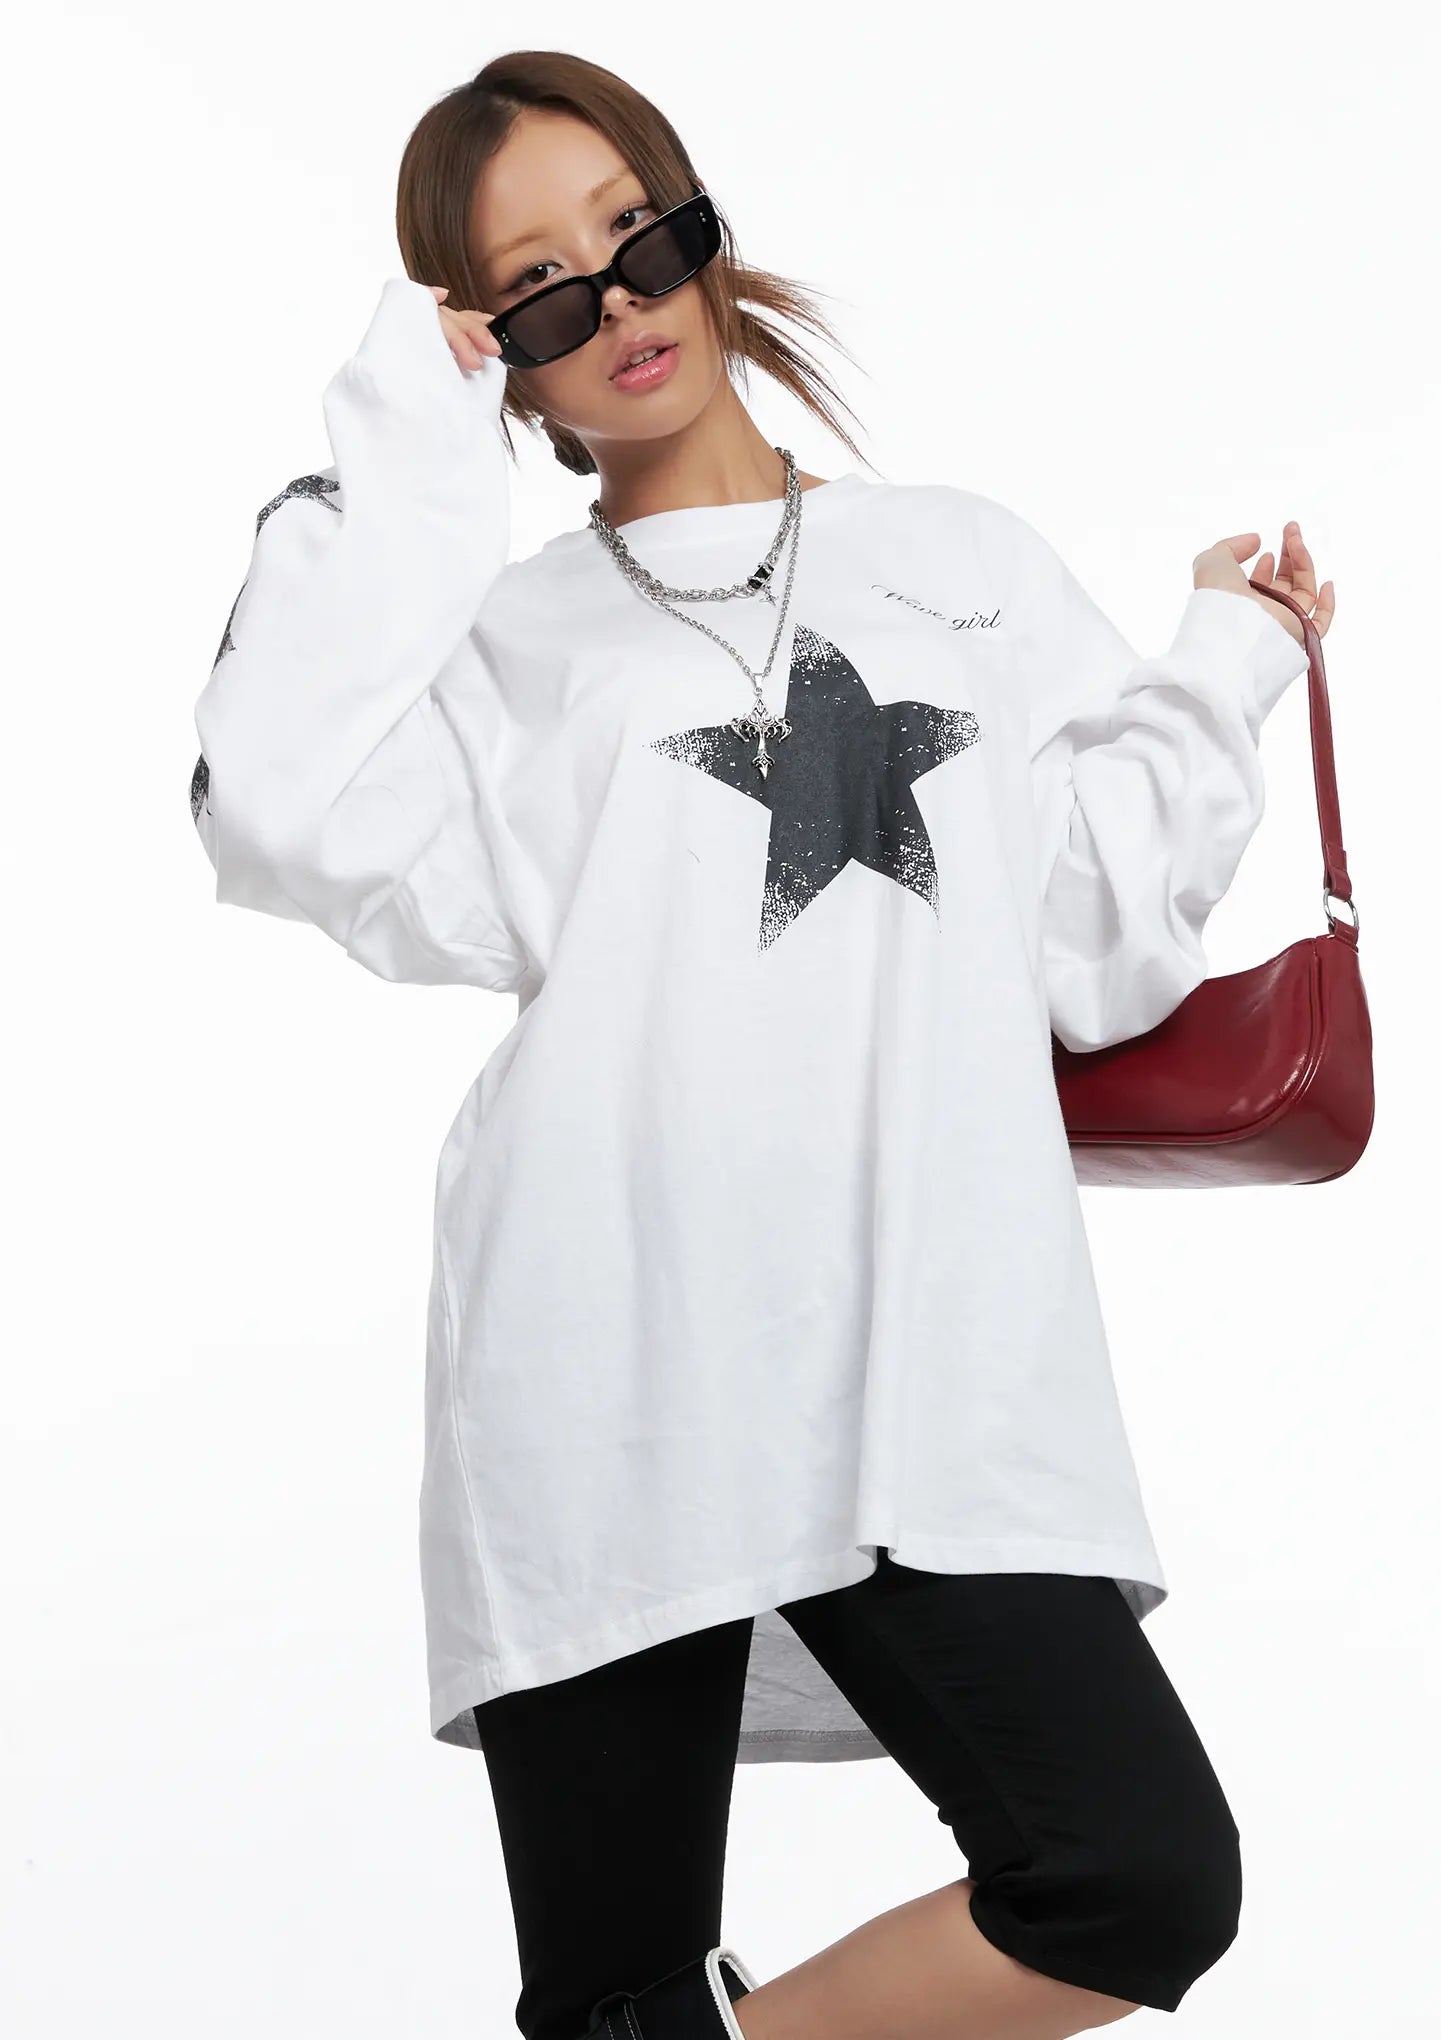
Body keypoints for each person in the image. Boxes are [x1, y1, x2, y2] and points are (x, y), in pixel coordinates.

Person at [188, 46, 1334, 2040]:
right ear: (499, 362)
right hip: (604, 1357)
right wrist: (406, 424)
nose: (615, 303)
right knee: (613, 1986)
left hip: (912, 1366)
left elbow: (1091, 941)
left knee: (1130, 1874)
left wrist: (1230, 654)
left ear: (703, 230)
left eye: (636, 233)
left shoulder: (960, 563)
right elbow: (275, 810)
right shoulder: (509, 648)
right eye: (535, 292)